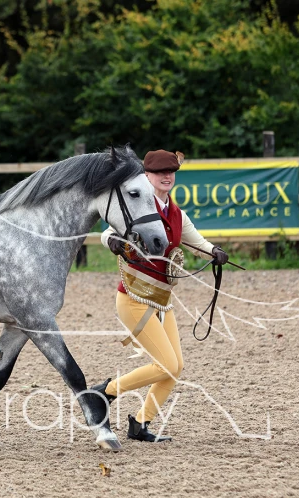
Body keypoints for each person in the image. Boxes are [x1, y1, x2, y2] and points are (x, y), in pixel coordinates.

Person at [91, 149, 228, 442]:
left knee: (175, 367)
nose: (167, 176)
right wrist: (112, 240)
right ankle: (103, 393)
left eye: (171, 171)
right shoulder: (137, 206)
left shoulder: (177, 214)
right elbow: (107, 233)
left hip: (162, 300)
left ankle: (140, 424)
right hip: (133, 298)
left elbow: (197, 243)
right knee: (166, 364)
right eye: (160, 172)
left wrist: (214, 252)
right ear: (147, 176)